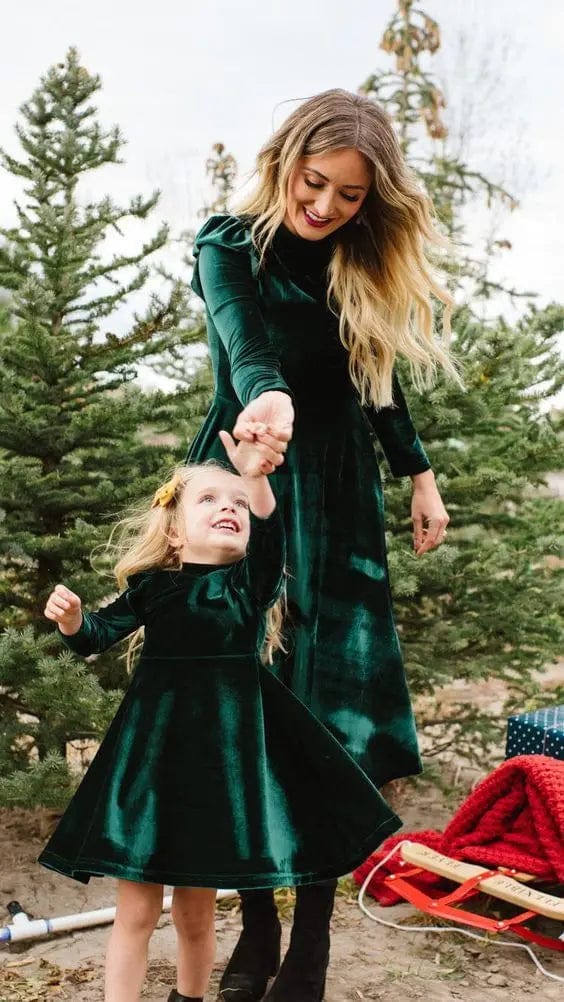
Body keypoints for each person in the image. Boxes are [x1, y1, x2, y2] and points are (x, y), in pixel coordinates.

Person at [187, 88, 456, 1002]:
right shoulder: (230, 245)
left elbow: (377, 384)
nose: (327, 207)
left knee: (326, 726)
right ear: (287, 161)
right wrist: (268, 397)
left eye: (349, 196)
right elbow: (243, 336)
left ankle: (310, 942)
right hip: (242, 485)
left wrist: (417, 473)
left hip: (338, 507)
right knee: (244, 710)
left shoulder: (356, 263)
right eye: (316, 184)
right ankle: (254, 928)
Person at [38, 432, 399, 1002]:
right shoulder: (153, 588)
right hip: (152, 767)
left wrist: (254, 477)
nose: (227, 509)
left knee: (194, 916)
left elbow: (275, 540)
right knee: (135, 911)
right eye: (208, 500)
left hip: (216, 774)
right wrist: (73, 618)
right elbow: (95, 637)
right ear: (175, 531)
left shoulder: (246, 588)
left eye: (236, 505)